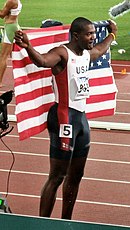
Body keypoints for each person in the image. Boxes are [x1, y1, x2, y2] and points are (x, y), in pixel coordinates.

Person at [14, 17, 117, 219]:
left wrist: (112, 34)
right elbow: (43, 61)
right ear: (76, 35)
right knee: (57, 176)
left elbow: (100, 50)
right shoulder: (62, 53)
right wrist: (28, 47)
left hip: (80, 120)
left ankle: (65, 222)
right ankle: (43, 222)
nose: (93, 38)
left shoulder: (86, 54)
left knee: (76, 175)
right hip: (63, 118)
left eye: (94, 34)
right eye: (89, 34)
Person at [0, 0, 22, 88]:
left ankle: (0, 82)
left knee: (3, 56)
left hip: (10, 28)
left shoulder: (11, 1)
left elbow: (2, 15)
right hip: (14, 25)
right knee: (14, 54)